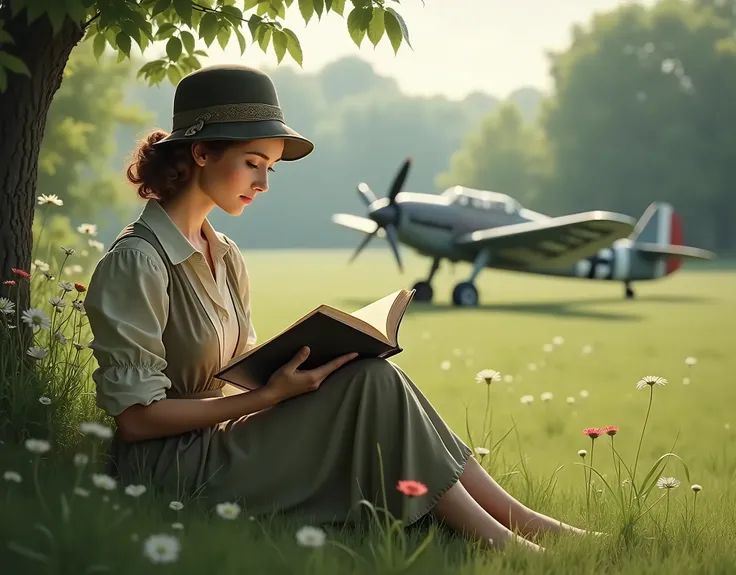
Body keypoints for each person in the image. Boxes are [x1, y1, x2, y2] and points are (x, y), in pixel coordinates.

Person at [84, 64, 586, 552]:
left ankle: (522, 523)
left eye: (269, 168)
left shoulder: (226, 254)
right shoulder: (137, 262)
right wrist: (268, 398)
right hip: (171, 469)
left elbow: (236, 370)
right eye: (253, 163)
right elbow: (135, 420)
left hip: (219, 435)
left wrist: (305, 365)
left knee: (370, 374)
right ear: (200, 153)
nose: (263, 184)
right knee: (372, 384)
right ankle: (508, 545)